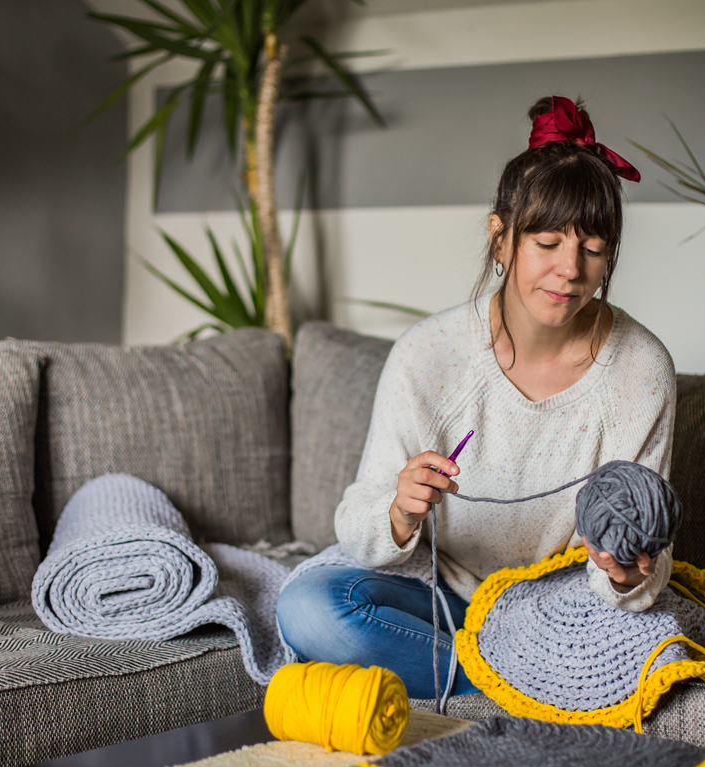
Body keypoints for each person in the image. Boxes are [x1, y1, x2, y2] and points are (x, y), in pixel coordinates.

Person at [276, 96, 677, 699]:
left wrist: (622, 575)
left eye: (592, 249)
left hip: (566, 609)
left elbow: (650, 563)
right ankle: (527, 685)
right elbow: (357, 526)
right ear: (500, 238)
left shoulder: (641, 369)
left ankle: (516, 675)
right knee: (309, 608)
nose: (570, 269)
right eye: (547, 242)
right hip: (441, 598)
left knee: (652, 644)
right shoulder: (427, 354)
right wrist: (401, 511)